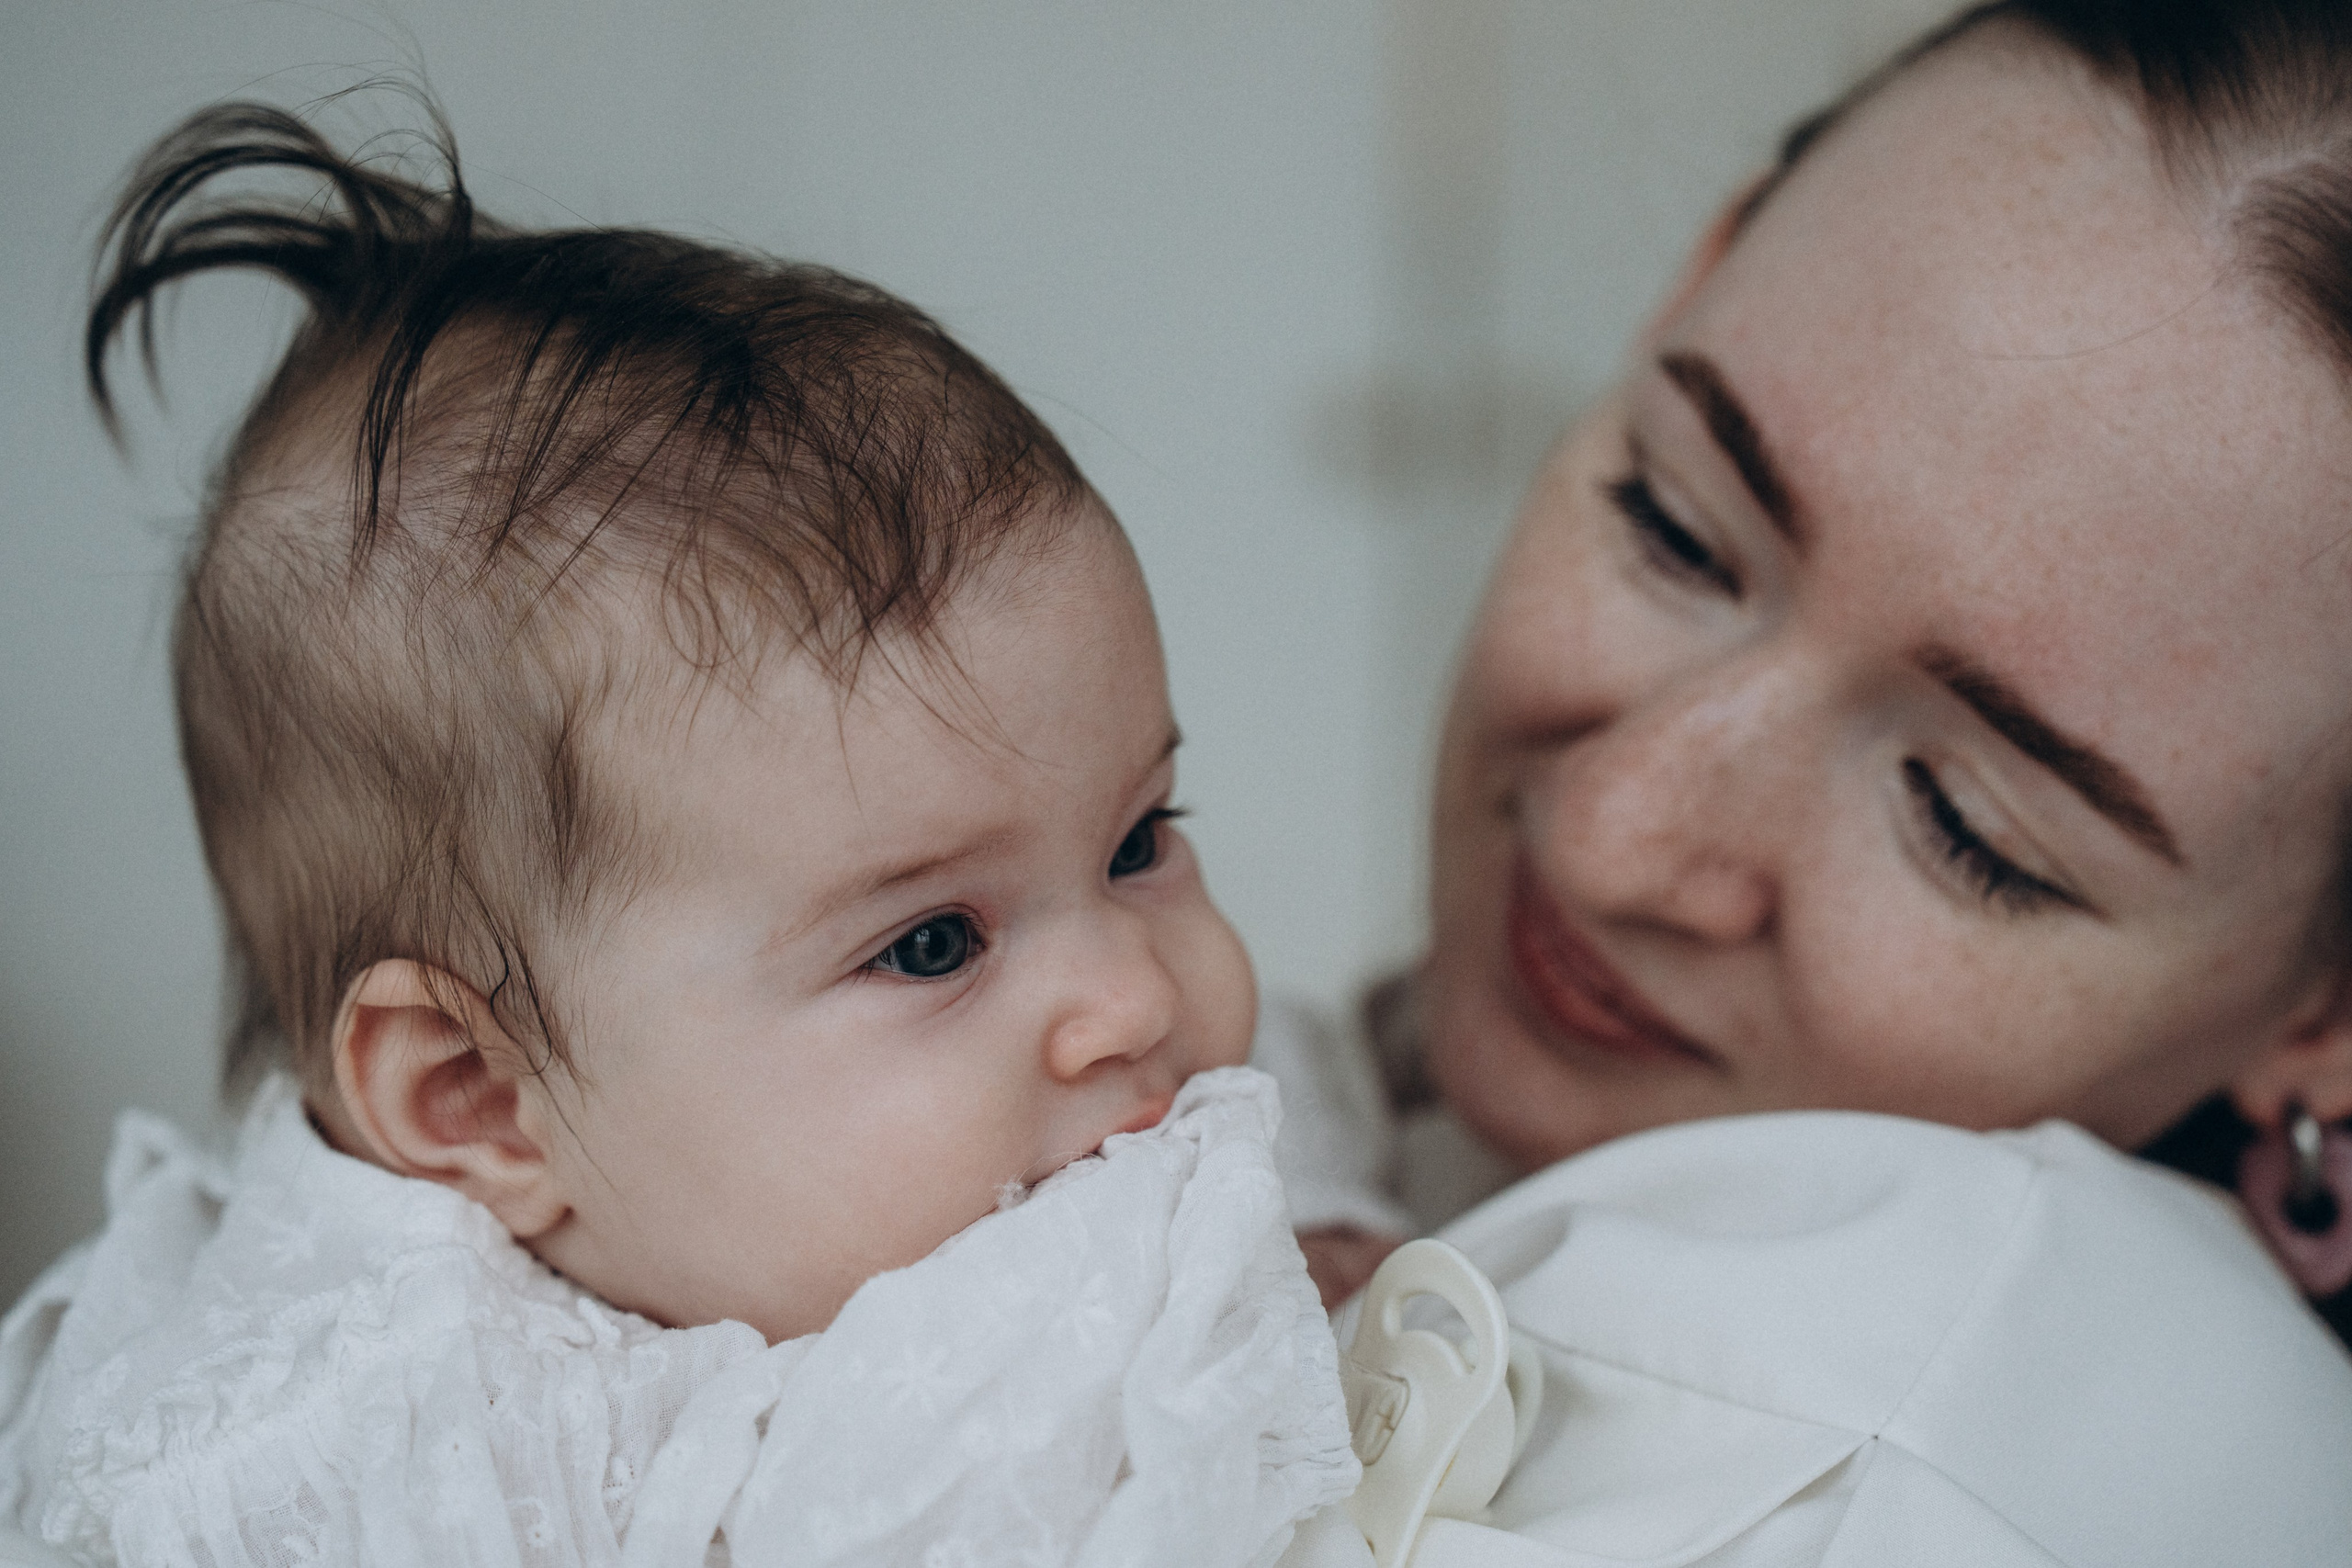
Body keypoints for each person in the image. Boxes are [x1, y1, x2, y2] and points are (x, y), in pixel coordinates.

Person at [0, 102, 1355, 1566]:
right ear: (478, 1099)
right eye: (933, 943)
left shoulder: (987, 1166)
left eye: (1140, 839)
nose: (1139, 999)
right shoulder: (359, 1465)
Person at [1263, 1, 2352, 1557]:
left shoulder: (1860, 1485)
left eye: (1967, 831)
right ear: (1694, 274)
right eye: (1675, 526)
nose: (1619, 829)